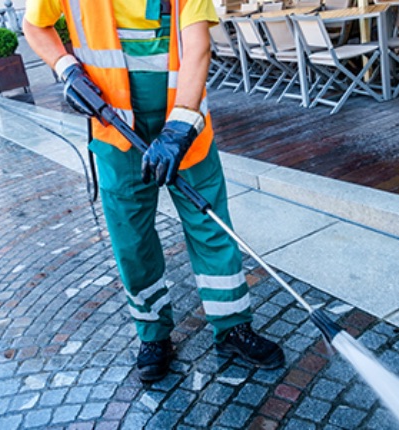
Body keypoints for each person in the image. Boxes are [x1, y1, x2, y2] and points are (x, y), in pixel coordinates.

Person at [23, 0, 284, 382]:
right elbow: (35, 26)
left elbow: (197, 46)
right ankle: (153, 334)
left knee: (209, 225)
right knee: (131, 239)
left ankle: (232, 327)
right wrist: (67, 68)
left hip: (184, 119)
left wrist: (179, 127)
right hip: (115, 129)